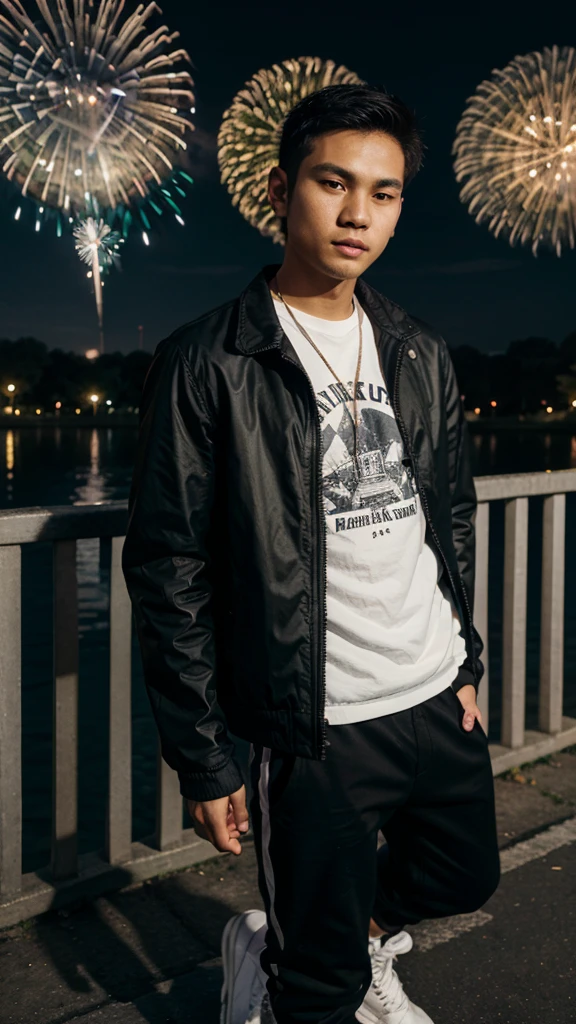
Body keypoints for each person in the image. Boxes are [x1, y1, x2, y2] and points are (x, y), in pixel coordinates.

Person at [122, 83, 501, 1024]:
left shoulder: (416, 349)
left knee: (465, 874)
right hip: (315, 726)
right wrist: (204, 759)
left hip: (430, 689)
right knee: (317, 993)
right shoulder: (209, 360)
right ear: (280, 187)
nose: (358, 214)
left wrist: (466, 657)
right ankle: (289, 967)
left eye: (385, 193)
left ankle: (329, 941)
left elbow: (447, 515)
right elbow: (169, 566)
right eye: (334, 184)